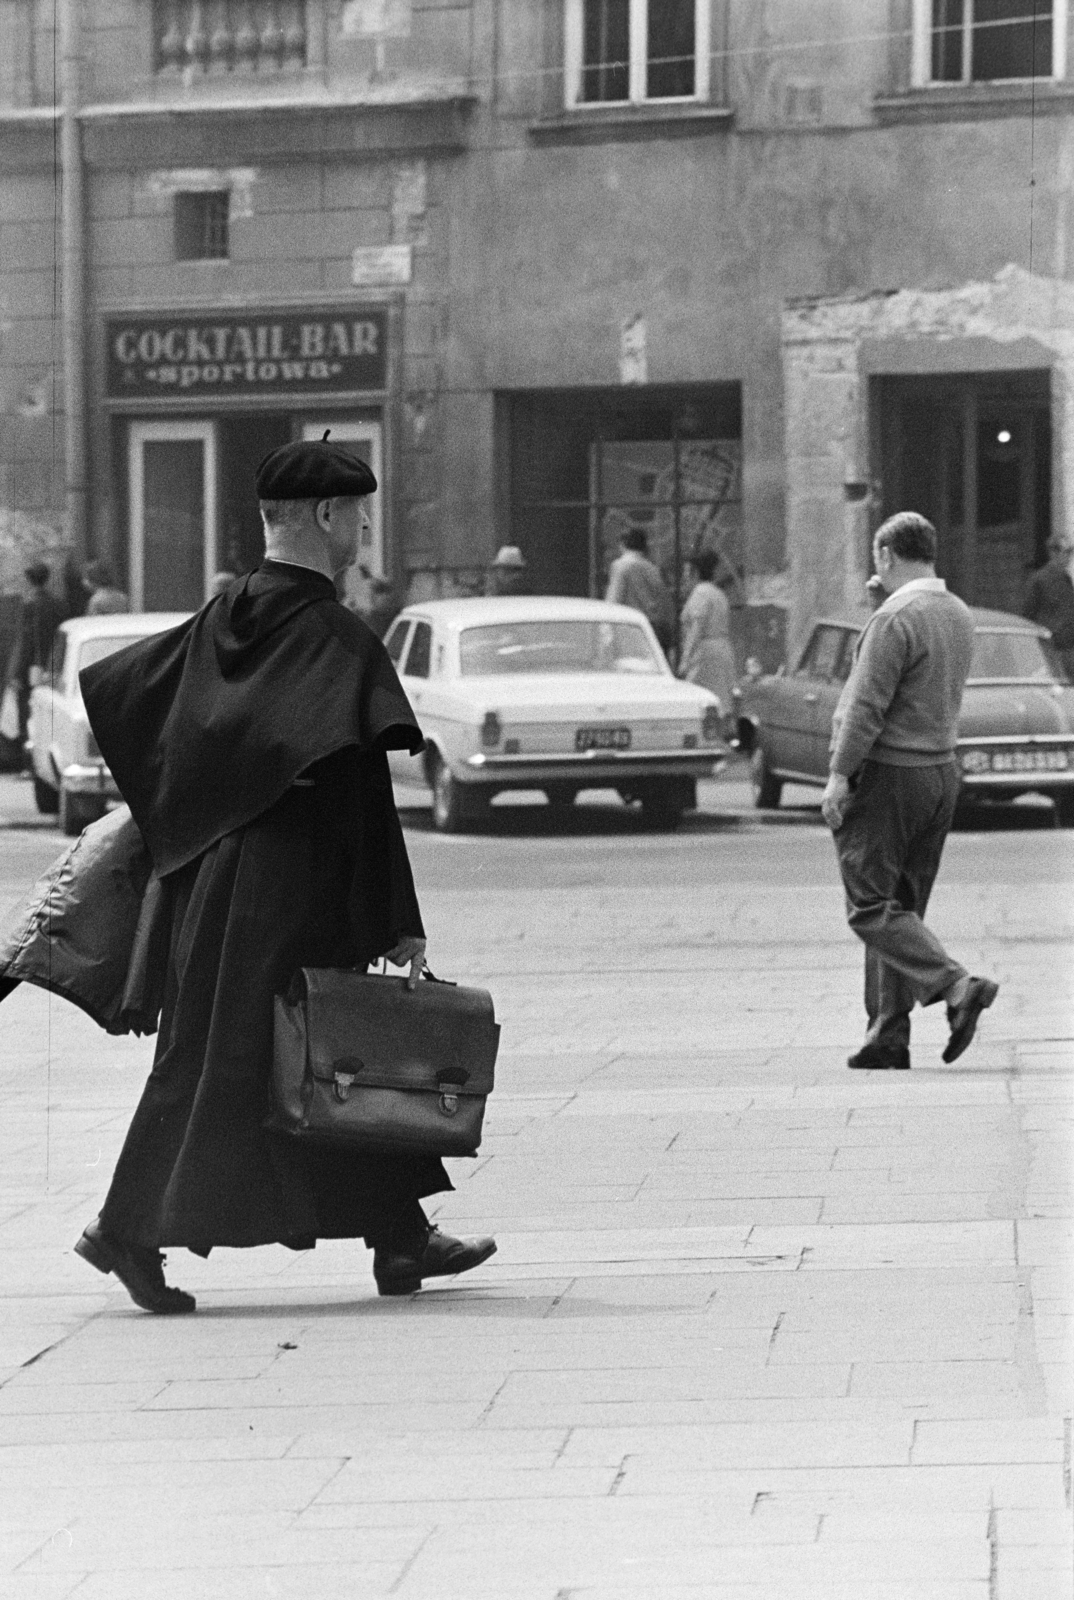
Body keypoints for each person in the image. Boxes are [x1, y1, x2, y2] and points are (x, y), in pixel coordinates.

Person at [69, 436, 496, 1312]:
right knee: (289, 1051)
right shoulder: (332, 635)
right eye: (360, 514)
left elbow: (146, 716)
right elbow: (363, 793)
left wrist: (192, 833)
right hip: (293, 882)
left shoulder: (221, 620)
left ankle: (400, 1238)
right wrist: (399, 915)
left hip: (214, 874)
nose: (366, 528)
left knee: (303, 1051)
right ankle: (124, 1229)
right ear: (326, 517)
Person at [821, 511, 998, 1071]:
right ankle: (887, 1034)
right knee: (903, 909)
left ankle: (956, 986)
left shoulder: (895, 618)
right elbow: (918, 682)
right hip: (939, 772)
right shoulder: (957, 612)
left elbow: (868, 706)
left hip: (890, 775)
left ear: (885, 556)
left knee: (871, 906)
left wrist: (838, 775)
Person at [5, 562, 65, 761]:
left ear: (29, 580)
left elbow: (26, 639)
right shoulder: (59, 603)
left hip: (32, 666)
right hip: (55, 663)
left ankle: (27, 759)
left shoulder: (30, 604)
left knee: (27, 710)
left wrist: (15, 672)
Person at [678, 550, 737, 724]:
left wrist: (686, 659)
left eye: (687, 573)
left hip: (705, 655)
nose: (684, 577)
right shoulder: (718, 593)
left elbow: (697, 627)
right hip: (723, 650)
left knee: (699, 699)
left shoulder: (701, 593)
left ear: (695, 573)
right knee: (721, 699)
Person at [605, 529, 675, 654]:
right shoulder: (652, 568)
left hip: (628, 628)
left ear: (623, 544)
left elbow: (615, 598)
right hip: (652, 627)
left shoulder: (620, 566)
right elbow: (664, 601)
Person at [1023, 533, 1074, 676]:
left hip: (1068, 647)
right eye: (1067, 551)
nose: (1069, 557)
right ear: (1053, 552)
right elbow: (1028, 613)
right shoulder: (1040, 580)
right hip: (1051, 647)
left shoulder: (1066, 579)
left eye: (1071, 552)